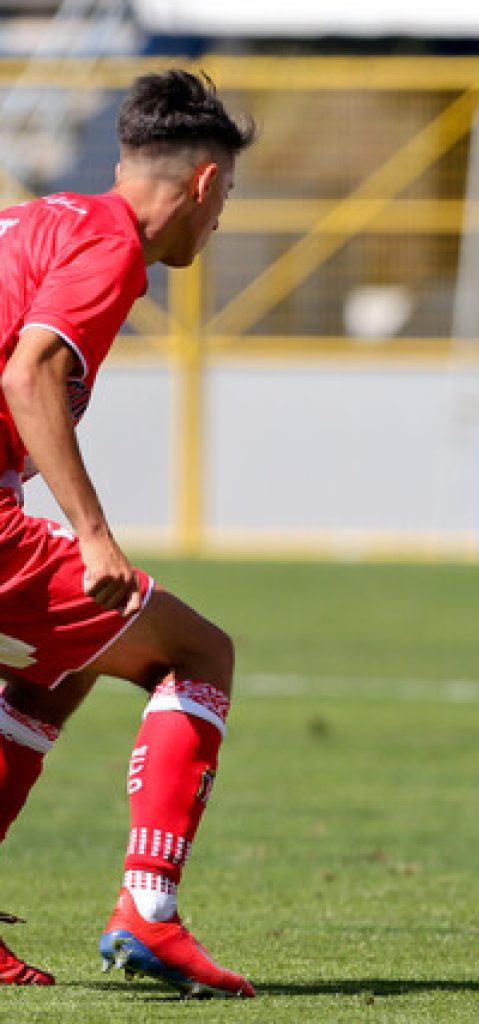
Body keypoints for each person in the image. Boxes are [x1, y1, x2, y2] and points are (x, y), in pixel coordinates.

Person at [0, 69, 255, 997]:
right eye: (227, 194)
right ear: (202, 184)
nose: (221, 218)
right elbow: (27, 375)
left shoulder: (45, 220)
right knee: (198, 653)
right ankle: (149, 913)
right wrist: (93, 535)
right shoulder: (110, 249)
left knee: (54, 669)